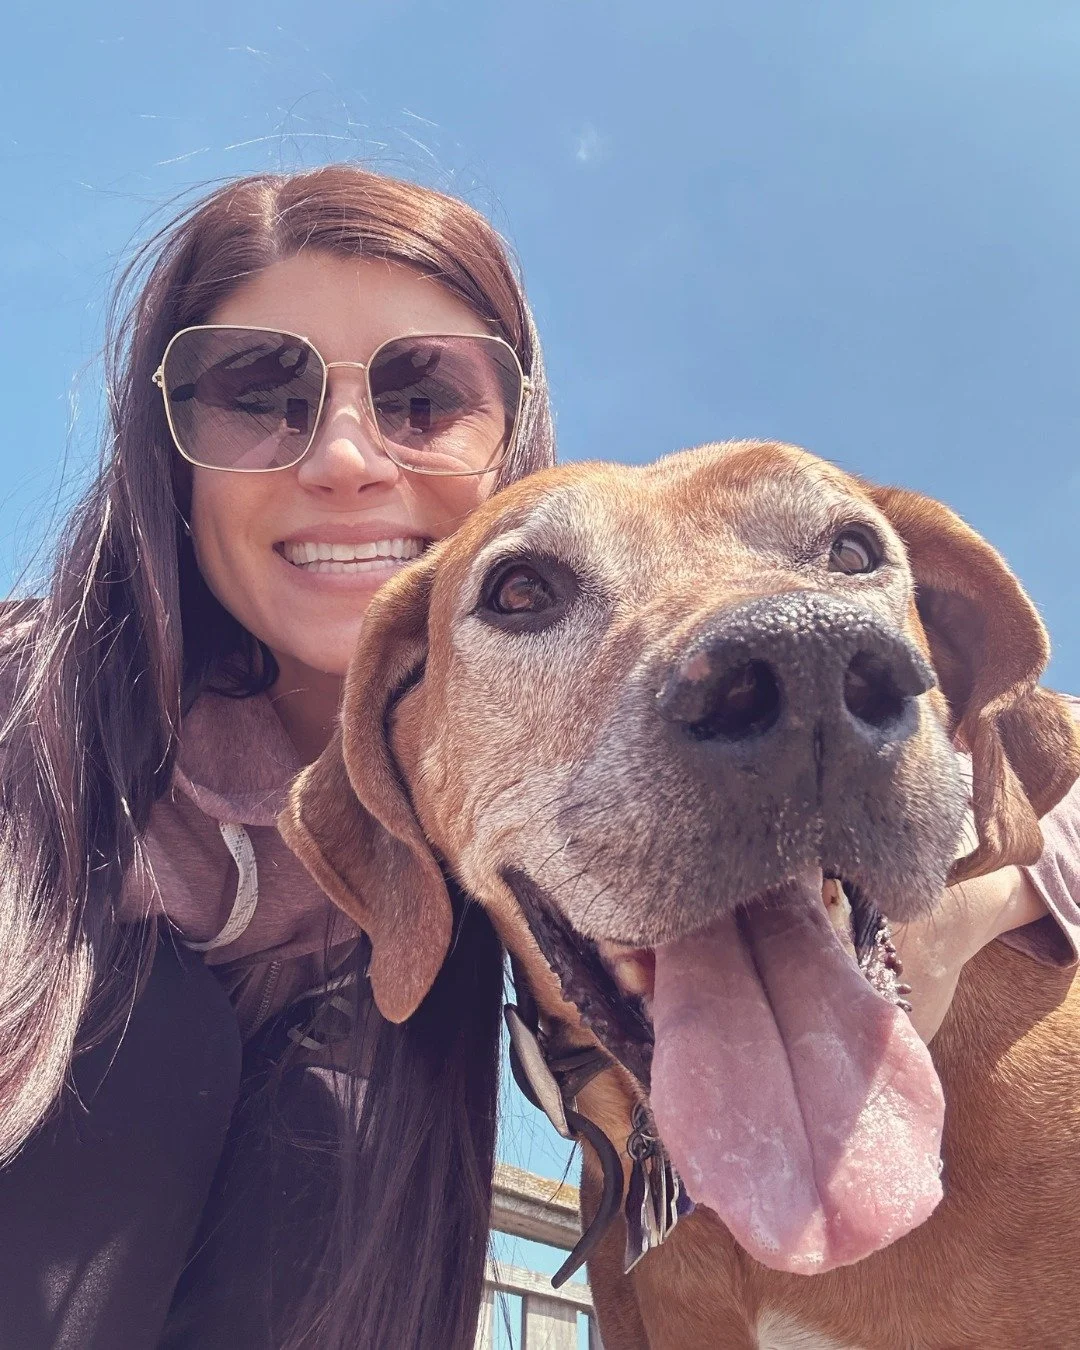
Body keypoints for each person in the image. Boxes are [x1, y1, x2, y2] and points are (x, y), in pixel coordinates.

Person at [0, 163, 1076, 1350]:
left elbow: (1041, 725)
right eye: (259, 388)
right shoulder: (34, 711)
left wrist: (1028, 869)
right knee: (149, 1045)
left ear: (506, 437)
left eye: (422, 394)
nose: (348, 458)